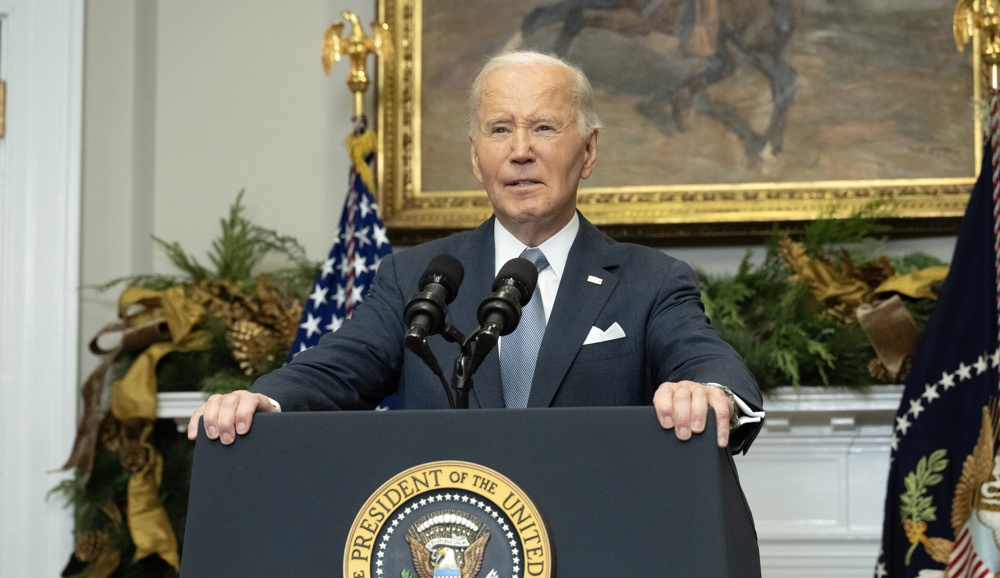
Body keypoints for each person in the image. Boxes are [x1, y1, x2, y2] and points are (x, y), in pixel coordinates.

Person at [188, 50, 764, 451]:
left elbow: (710, 365)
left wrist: (707, 391)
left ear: (588, 152)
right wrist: (260, 401)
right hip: (454, 572)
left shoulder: (649, 280)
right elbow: (333, 371)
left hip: (596, 558)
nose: (519, 151)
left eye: (543, 128)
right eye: (498, 130)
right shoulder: (416, 277)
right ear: (475, 157)